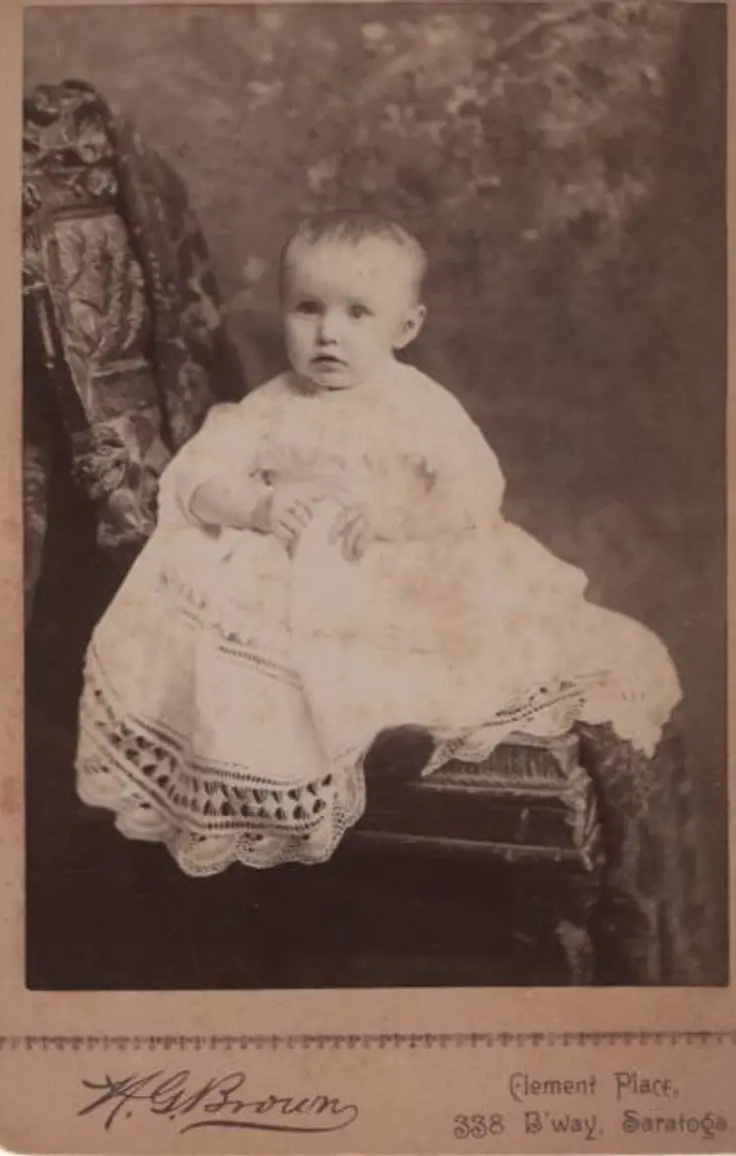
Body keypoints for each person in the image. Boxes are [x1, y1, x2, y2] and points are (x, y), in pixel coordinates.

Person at [75, 211, 682, 877]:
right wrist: (261, 502)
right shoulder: (272, 405)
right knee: (239, 645)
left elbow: (475, 490)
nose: (328, 332)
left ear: (406, 327)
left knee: (447, 634)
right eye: (308, 309)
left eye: (357, 313)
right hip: (292, 573)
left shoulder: (418, 404)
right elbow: (197, 477)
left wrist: (395, 515)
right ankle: (315, 753)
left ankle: (396, 730)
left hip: (397, 564)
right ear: (284, 312)